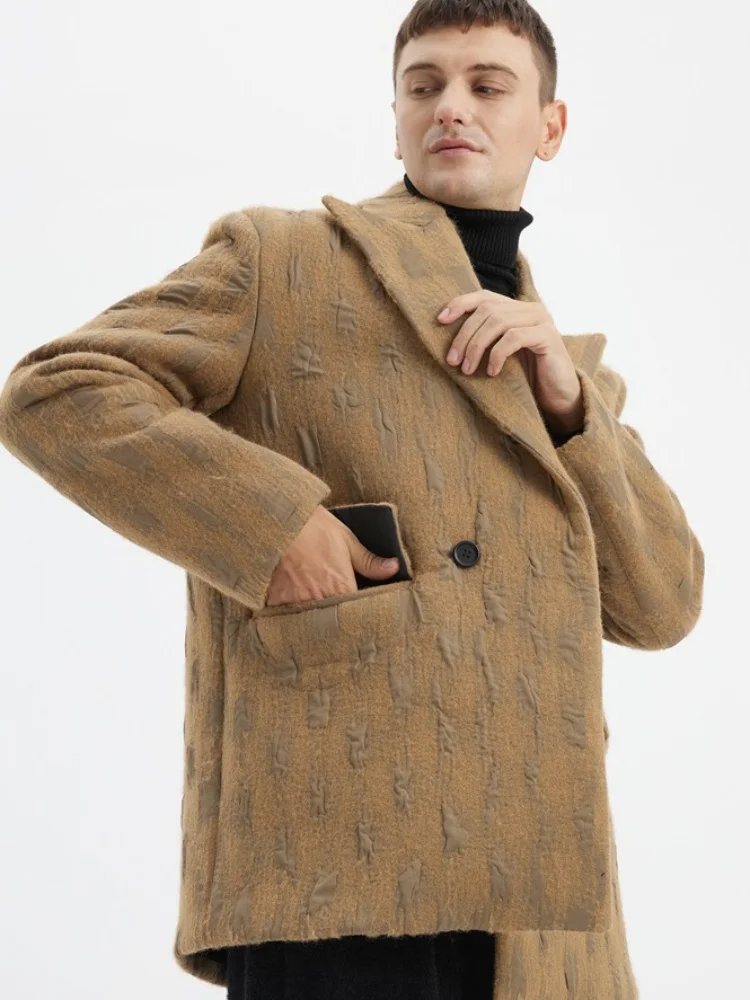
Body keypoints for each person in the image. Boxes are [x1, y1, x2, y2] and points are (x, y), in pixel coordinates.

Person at [0, 2, 704, 998]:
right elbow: (59, 390)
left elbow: (662, 606)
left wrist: (566, 403)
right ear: (396, 119)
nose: (451, 106)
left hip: (544, 919)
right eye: (424, 85)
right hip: (340, 865)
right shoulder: (283, 259)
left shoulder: (570, 375)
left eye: (488, 85)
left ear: (549, 127)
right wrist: (272, 525)